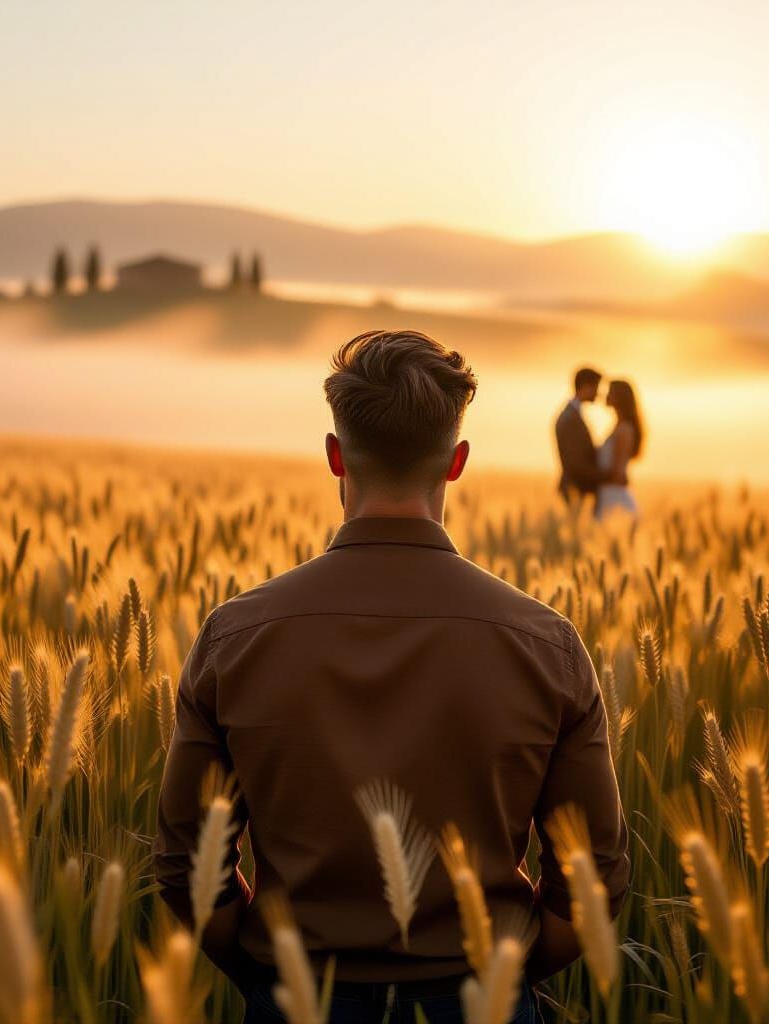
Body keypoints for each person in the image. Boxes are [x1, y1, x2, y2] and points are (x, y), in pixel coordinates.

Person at [153, 330, 629, 1023]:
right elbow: (595, 879)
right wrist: (503, 981)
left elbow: (184, 866)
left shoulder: (234, 637)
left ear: (335, 455)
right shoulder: (546, 645)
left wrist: (269, 975)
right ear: (457, 462)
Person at [554, 367, 604, 506]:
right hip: (574, 489)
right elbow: (575, 461)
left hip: (576, 488)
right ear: (586, 386)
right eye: (596, 387)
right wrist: (605, 476)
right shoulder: (570, 418)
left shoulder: (573, 414)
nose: (598, 393)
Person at [594, 379, 644, 521]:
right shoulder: (618, 426)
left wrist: (593, 477)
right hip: (607, 492)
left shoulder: (625, 429)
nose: (606, 395)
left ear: (619, 398)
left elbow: (618, 472)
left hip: (614, 496)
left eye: (610, 392)